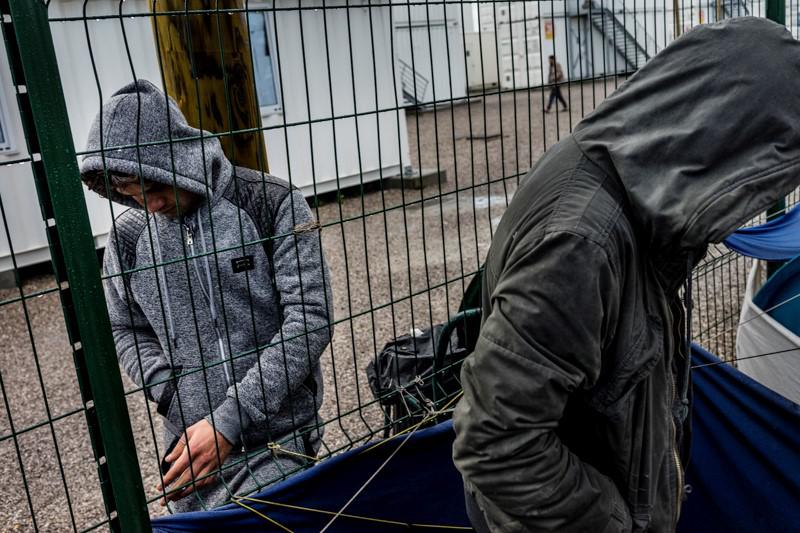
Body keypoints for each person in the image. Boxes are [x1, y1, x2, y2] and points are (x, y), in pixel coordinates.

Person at [453, 17, 800, 532]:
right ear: (731, 142)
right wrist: (615, 523)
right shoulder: (582, 243)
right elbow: (498, 441)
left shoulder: (640, 183)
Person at [79, 80, 333, 512]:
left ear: (175, 161)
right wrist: (171, 392)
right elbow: (126, 327)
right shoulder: (128, 238)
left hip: (279, 434)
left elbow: (310, 318)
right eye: (132, 196)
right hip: (191, 442)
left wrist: (232, 416)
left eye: (154, 189)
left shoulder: (270, 203)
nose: (149, 205)